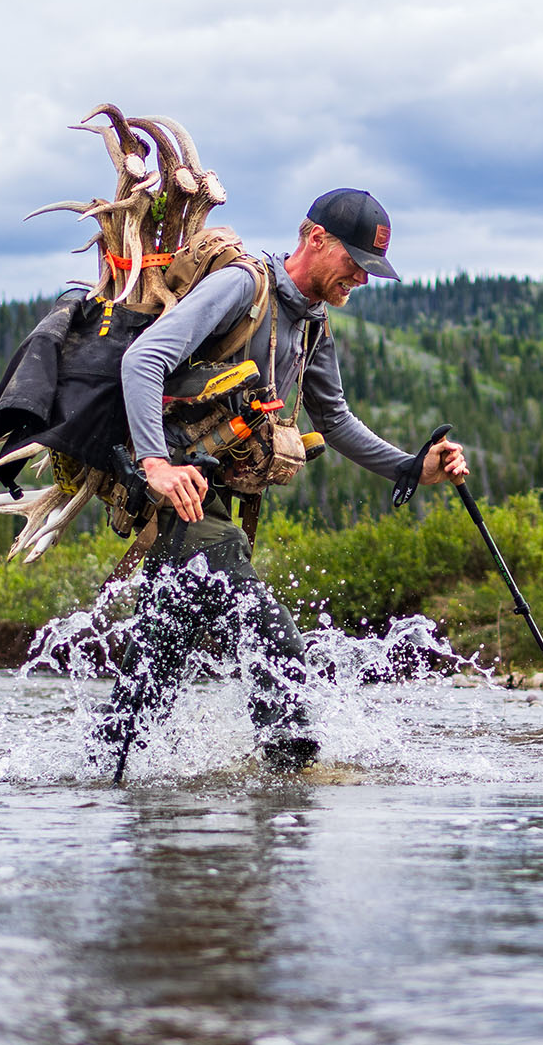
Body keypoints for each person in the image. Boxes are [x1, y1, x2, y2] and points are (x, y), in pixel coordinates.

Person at [102, 188, 469, 771]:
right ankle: (291, 795)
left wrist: (410, 466)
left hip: (214, 502)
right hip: (178, 496)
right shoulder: (243, 286)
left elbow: (336, 421)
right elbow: (142, 362)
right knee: (272, 636)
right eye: (356, 263)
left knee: (157, 664)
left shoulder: (315, 323)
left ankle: (102, 780)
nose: (363, 279)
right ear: (314, 238)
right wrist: (156, 463)